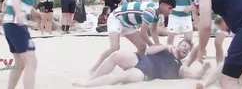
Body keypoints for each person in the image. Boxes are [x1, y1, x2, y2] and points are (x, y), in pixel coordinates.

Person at [89, 0, 176, 75]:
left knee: (142, 47)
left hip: (128, 24)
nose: (171, 11)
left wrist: (158, 46)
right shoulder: (151, 11)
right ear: (162, 5)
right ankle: (94, 68)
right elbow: (143, 33)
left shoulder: (156, 14)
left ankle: (138, 67)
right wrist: (152, 46)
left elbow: (154, 31)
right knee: (115, 47)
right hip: (116, 18)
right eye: (170, 8)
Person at [2, 0, 50, 89]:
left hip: (10, 23)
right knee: (31, 61)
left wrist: (33, 12)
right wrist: (19, 14)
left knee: (20, 63)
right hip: (15, 23)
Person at [74, 39, 211, 87]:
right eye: (183, 46)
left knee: (121, 77)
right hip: (140, 59)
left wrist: (204, 70)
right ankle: (92, 78)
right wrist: (165, 46)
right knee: (116, 55)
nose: (185, 49)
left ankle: (89, 84)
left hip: (146, 72)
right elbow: (148, 51)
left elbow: (195, 75)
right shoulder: (164, 49)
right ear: (177, 45)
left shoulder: (180, 67)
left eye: (187, 49)